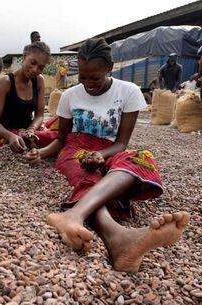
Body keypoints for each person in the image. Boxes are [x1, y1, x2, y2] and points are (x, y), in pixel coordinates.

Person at [24, 38, 190, 272]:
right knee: (88, 172)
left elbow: (122, 143)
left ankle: (75, 216)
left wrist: (101, 155)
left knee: (140, 157)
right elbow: (61, 140)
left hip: (111, 149)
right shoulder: (70, 96)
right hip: (76, 148)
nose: (88, 83)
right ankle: (118, 236)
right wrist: (40, 153)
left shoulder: (128, 91)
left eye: (95, 77)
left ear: (110, 68)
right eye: (82, 77)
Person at [0, 41, 57, 152]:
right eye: (32, 62)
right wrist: (10, 136)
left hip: (28, 130)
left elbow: (39, 115)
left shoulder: (39, 81)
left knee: (59, 137)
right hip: (6, 131)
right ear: (24, 57)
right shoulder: (6, 82)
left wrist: (31, 129)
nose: (35, 70)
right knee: (21, 143)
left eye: (40, 67)